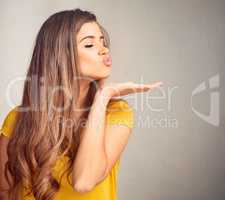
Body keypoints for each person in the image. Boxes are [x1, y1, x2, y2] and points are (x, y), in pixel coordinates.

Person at [0, 8, 163, 200]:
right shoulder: (17, 118)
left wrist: (102, 97)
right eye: (89, 45)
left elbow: (84, 181)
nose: (104, 49)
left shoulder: (117, 112)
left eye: (103, 41)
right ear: (60, 56)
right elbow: (5, 192)